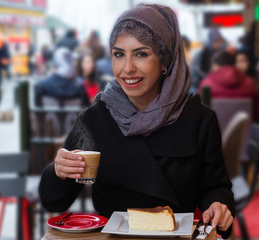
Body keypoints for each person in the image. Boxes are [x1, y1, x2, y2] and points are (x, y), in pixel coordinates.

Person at [39, 4, 234, 239]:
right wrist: (59, 171)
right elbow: (54, 200)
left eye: (141, 54)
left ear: (165, 61)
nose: (127, 68)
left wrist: (219, 205)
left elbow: (216, 187)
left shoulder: (199, 119)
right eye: (119, 54)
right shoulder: (95, 119)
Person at [199, 50, 258, 121]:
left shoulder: (207, 83)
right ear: (233, 64)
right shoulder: (249, 83)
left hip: (214, 129)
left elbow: (201, 114)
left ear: (216, 66)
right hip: (244, 130)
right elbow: (254, 113)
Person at [190, 27, 226, 92]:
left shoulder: (218, 52)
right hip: (198, 84)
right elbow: (197, 69)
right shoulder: (201, 53)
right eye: (216, 41)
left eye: (220, 42)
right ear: (211, 40)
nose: (219, 44)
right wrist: (210, 77)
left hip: (213, 82)